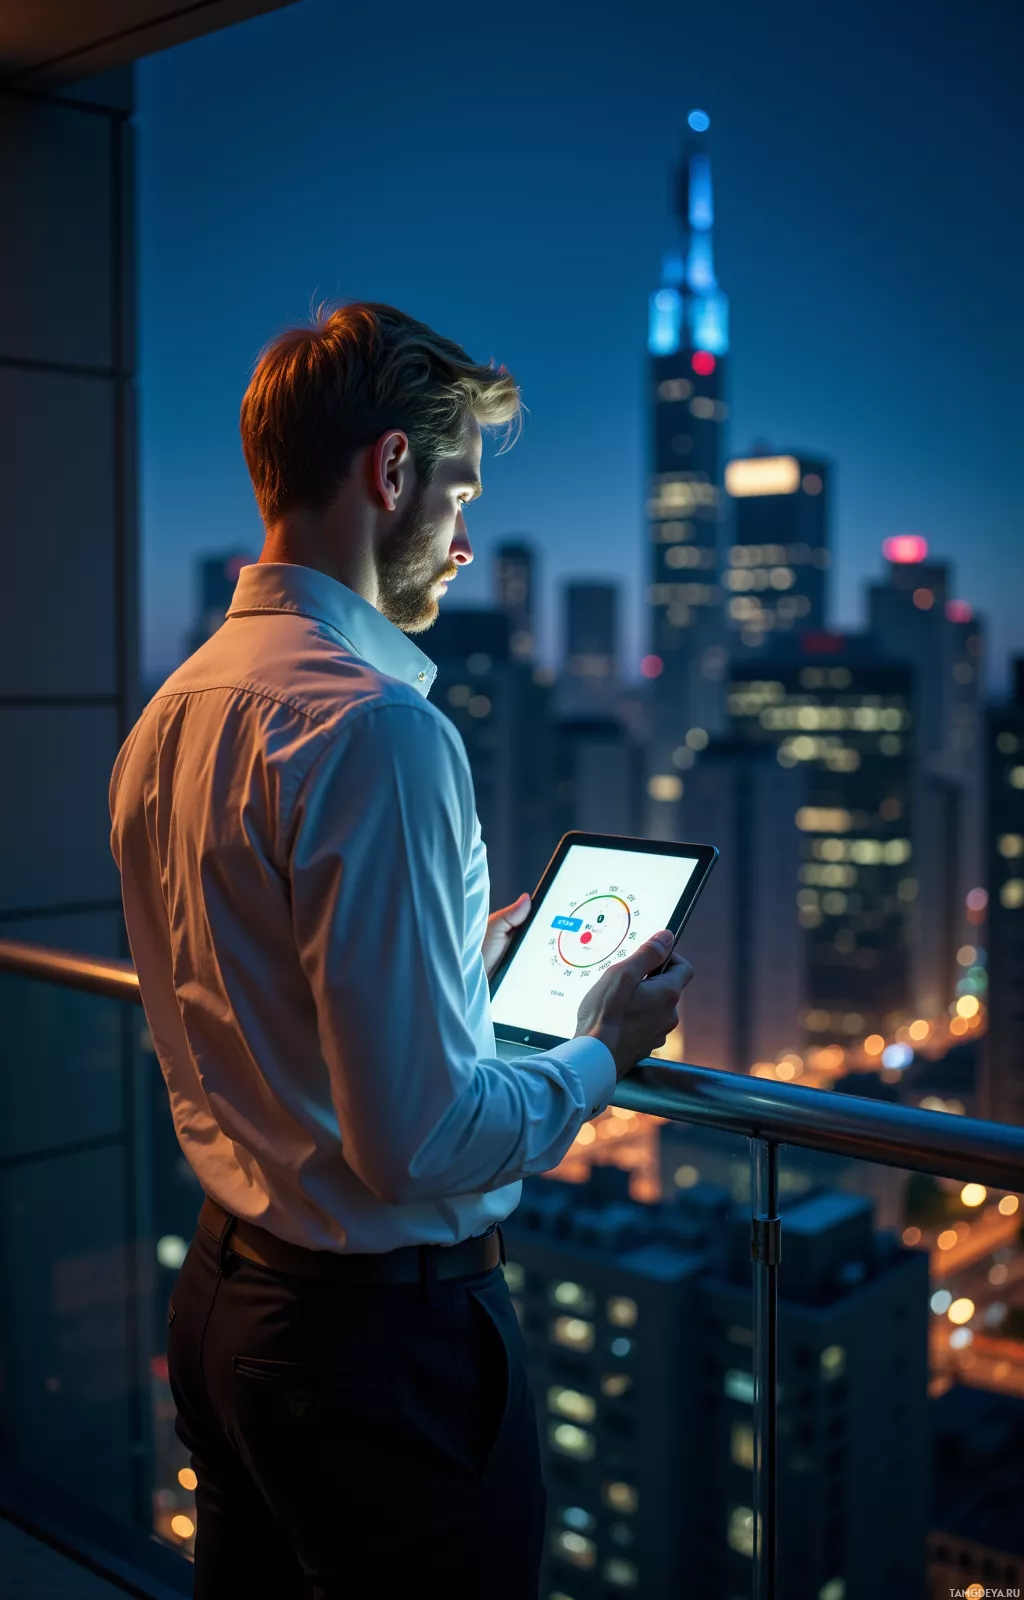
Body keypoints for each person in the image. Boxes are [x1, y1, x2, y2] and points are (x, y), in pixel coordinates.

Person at [109, 302, 693, 1600]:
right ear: (389, 472)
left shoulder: (172, 716)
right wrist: (605, 1053)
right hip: (375, 1354)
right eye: (461, 489)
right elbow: (415, 1142)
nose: (469, 538)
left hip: (226, 1308)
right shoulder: (375, 729)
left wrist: (462, 945)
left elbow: (258, 975)